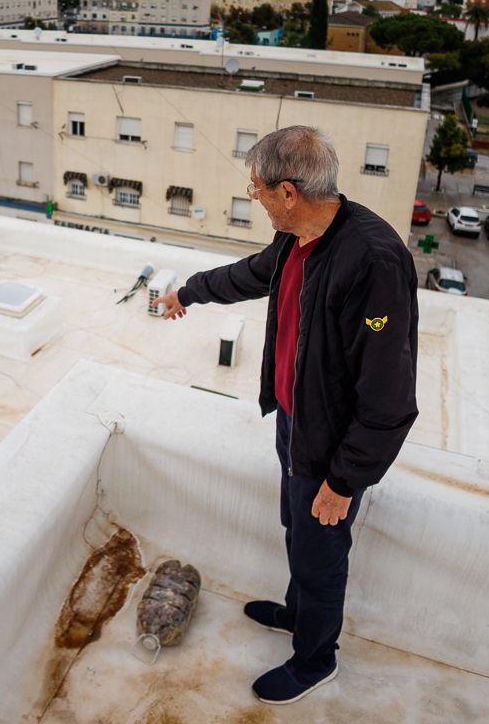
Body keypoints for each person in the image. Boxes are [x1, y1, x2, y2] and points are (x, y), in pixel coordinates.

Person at [153, 125, 418, 706]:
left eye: (257, 189)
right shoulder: (297, 240)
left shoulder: (373, 260)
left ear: (289, 191)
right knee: (298, 532)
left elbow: (389, 398)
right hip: (295, 426)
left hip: (332, 446)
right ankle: (299, 615)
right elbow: (252, 275)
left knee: (321, 553)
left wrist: (345, 481)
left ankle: (315, 660)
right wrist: (190, 294)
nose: (255, 198)